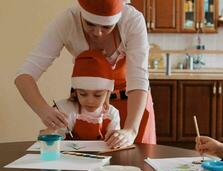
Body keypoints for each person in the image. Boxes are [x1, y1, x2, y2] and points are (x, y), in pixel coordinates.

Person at [14, 0, 156, 147]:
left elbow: (138, 79)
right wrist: (44, 111)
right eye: (90, 24)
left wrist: (130, 130)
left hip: (133, 105)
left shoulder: (132, 21)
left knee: (137, 163)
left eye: (107, 26)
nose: (98, 33)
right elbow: (24, 76)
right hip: (85, 109)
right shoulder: (67, 21)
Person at [40, 50, 121, 143]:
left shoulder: (112, 114)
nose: (90, 101)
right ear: (75, 91)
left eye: (97, 95)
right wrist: (51, 131)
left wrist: (117, 138)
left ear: (108, 92)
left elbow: (115, 143)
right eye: (83, 94)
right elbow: (49, 141)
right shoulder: (66, 109)